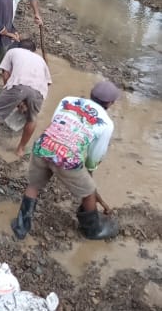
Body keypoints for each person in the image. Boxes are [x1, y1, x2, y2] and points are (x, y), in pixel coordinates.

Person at [11, 80, 122, 241]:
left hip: (43, 145)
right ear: (110, 103)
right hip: (67, 157)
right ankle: (93, 230)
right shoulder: (106, 123)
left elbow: (56, 122)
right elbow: (95, 155)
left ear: (91, 94)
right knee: (89, 192)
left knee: (34, 185)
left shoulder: (68, 100)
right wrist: (89, 169)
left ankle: (21, 226)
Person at [0, 38, 52, 158]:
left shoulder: (13, 51)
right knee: (32, 118)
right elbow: (47, 82)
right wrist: (24, 102)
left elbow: (6, 73)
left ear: (19, 46)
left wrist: (12, 94)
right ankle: (20, 150)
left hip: (19, 85)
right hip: (39, 90)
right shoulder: (40, 60)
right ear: (33, 50)